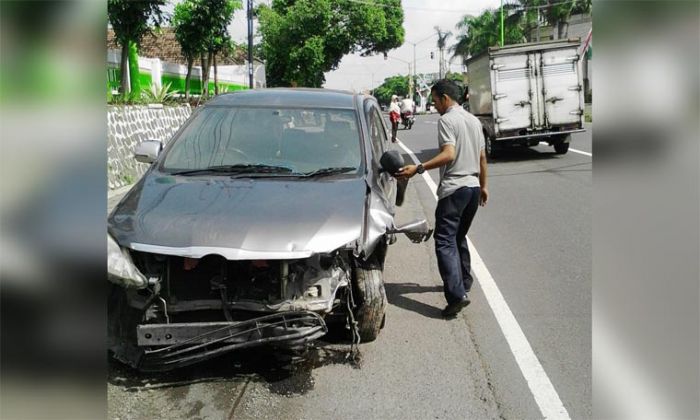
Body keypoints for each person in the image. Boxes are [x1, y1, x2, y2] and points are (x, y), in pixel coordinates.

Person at [394, 79, 489, 318]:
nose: (434, 105)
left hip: (455, 189)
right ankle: (464, 282)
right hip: (473, 187)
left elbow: (449, 154)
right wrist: (484, 186)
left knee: (444, 241)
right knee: (458, 237)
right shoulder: (473, 120)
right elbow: (482, 158)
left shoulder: (447, 120)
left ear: (445, 98)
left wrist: (418, 168)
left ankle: (456, 296)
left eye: (434, 100)